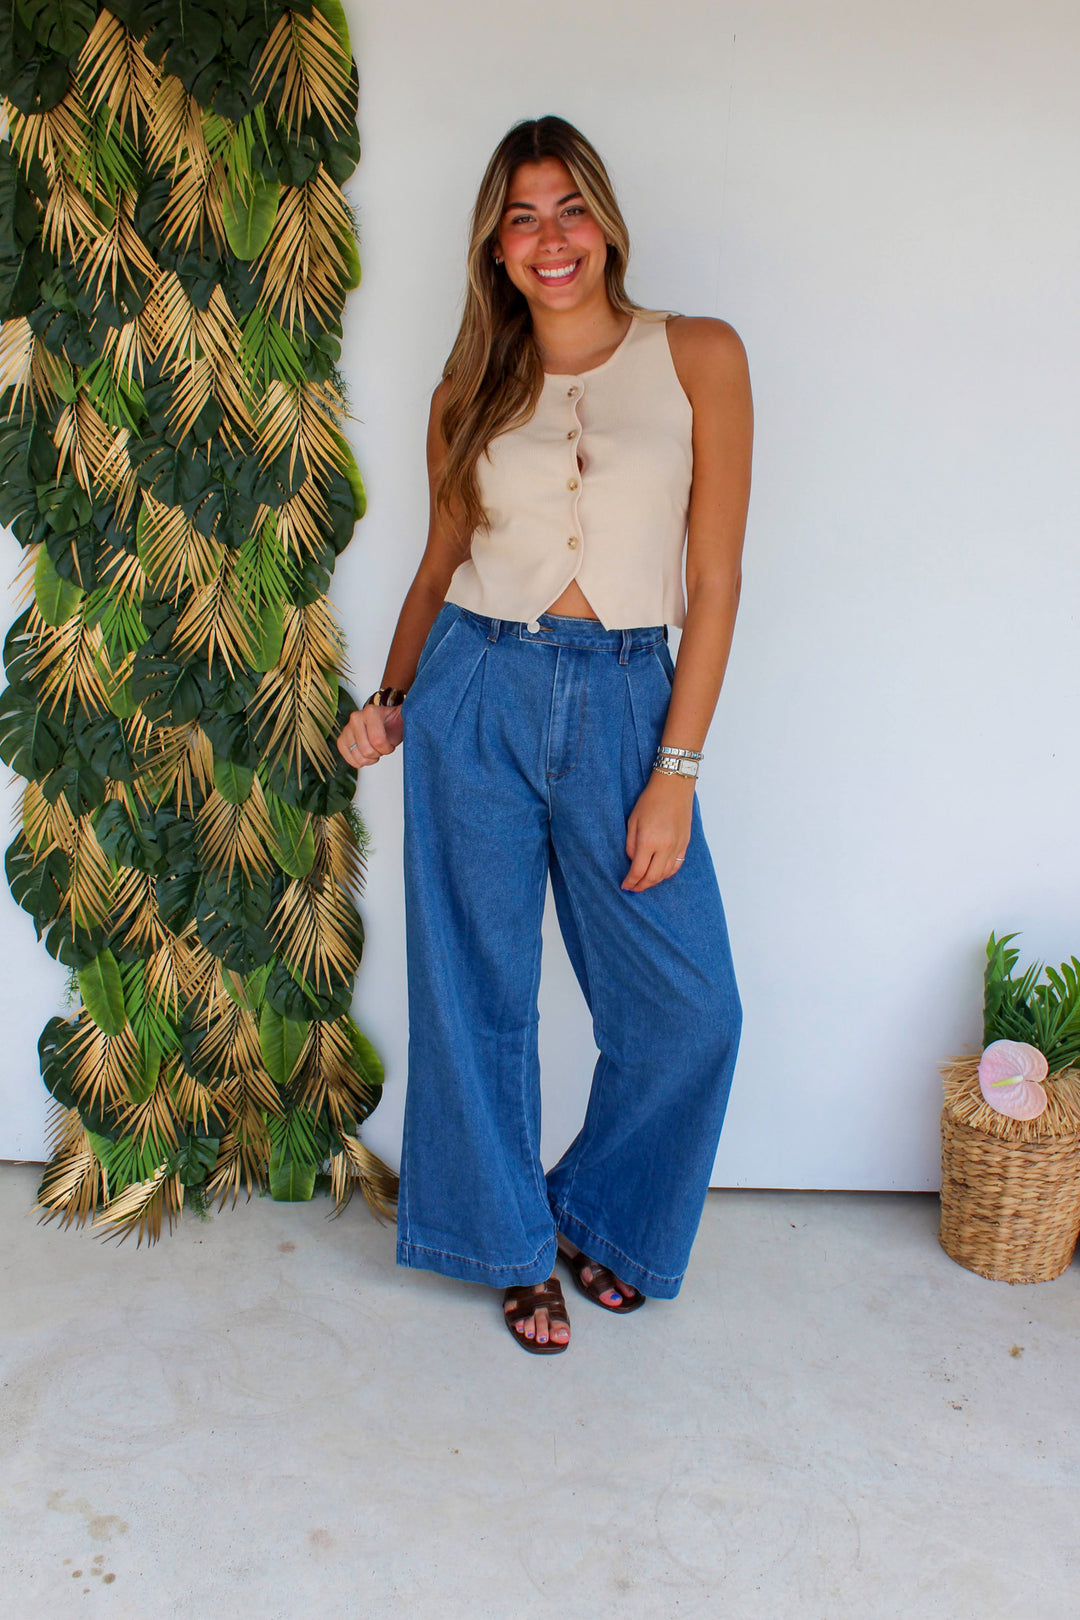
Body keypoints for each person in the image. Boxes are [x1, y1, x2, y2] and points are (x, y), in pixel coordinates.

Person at [336, 115, 752, 1356]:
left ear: (606, 221)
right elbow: (437, 565)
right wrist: (392, 700)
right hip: (479, 688)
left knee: (691, 1007)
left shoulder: (701, 356)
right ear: (496, 248)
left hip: (632, 695)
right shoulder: (470, 390)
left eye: (568, 207)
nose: (550, 237)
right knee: (480, 991)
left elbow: (716, 583)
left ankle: (598, 1215)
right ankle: (510, 1248)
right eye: (522, 217)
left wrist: (674, 770)